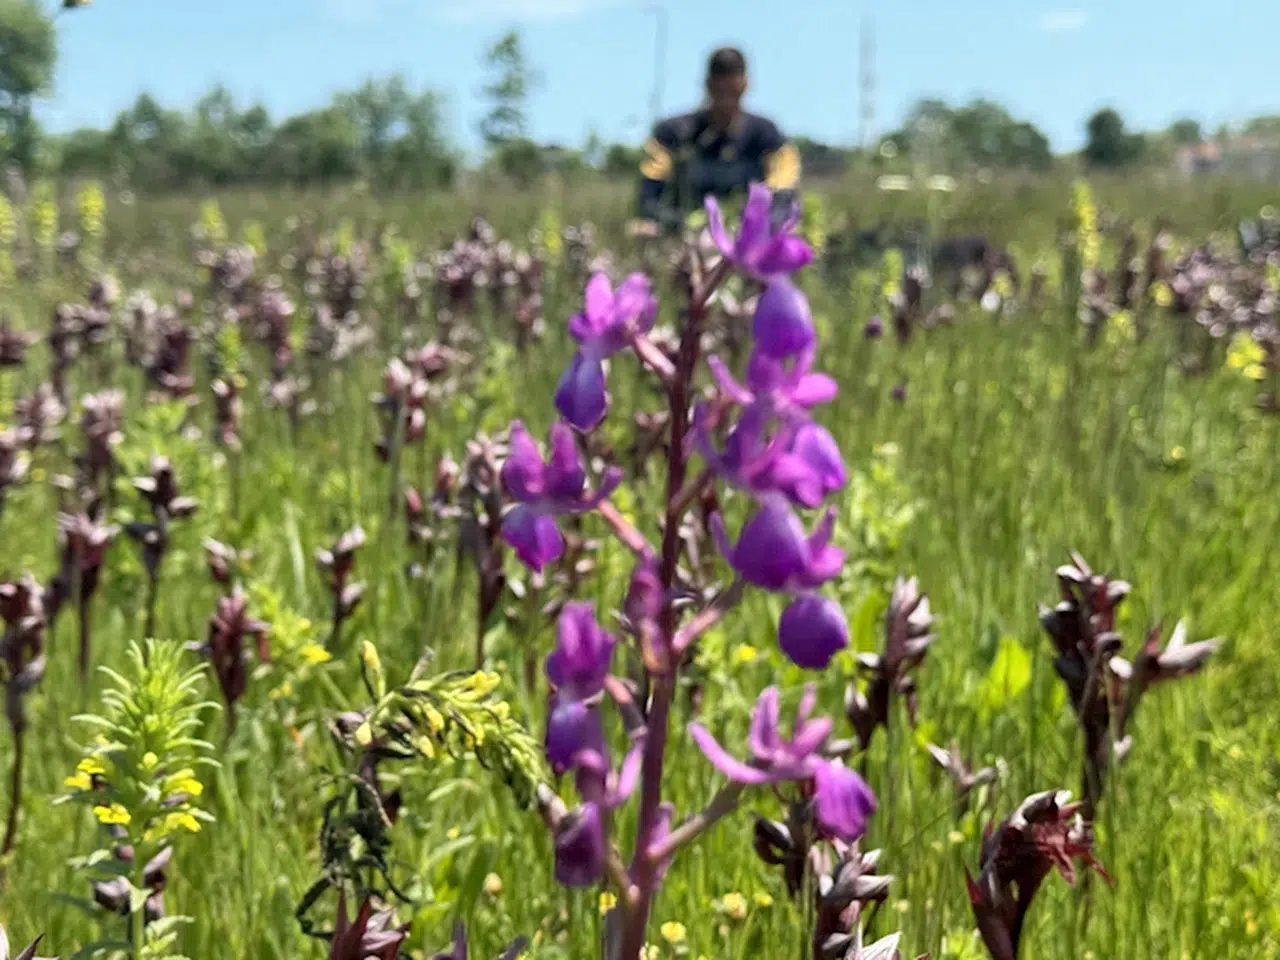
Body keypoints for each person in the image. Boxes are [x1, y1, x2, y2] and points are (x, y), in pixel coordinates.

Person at [630, 47, 801, 237]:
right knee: (642, 228)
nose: (725, 98)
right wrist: (679, 224)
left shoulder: (767, 136)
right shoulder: (673, 133)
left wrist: (755, 226)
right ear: (708, 85)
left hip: (743, 233)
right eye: (719, 89)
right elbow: (648, 197)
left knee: (791, 230)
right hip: (684, 229)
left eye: (732, 89)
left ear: (744, 85)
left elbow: (784, 194)